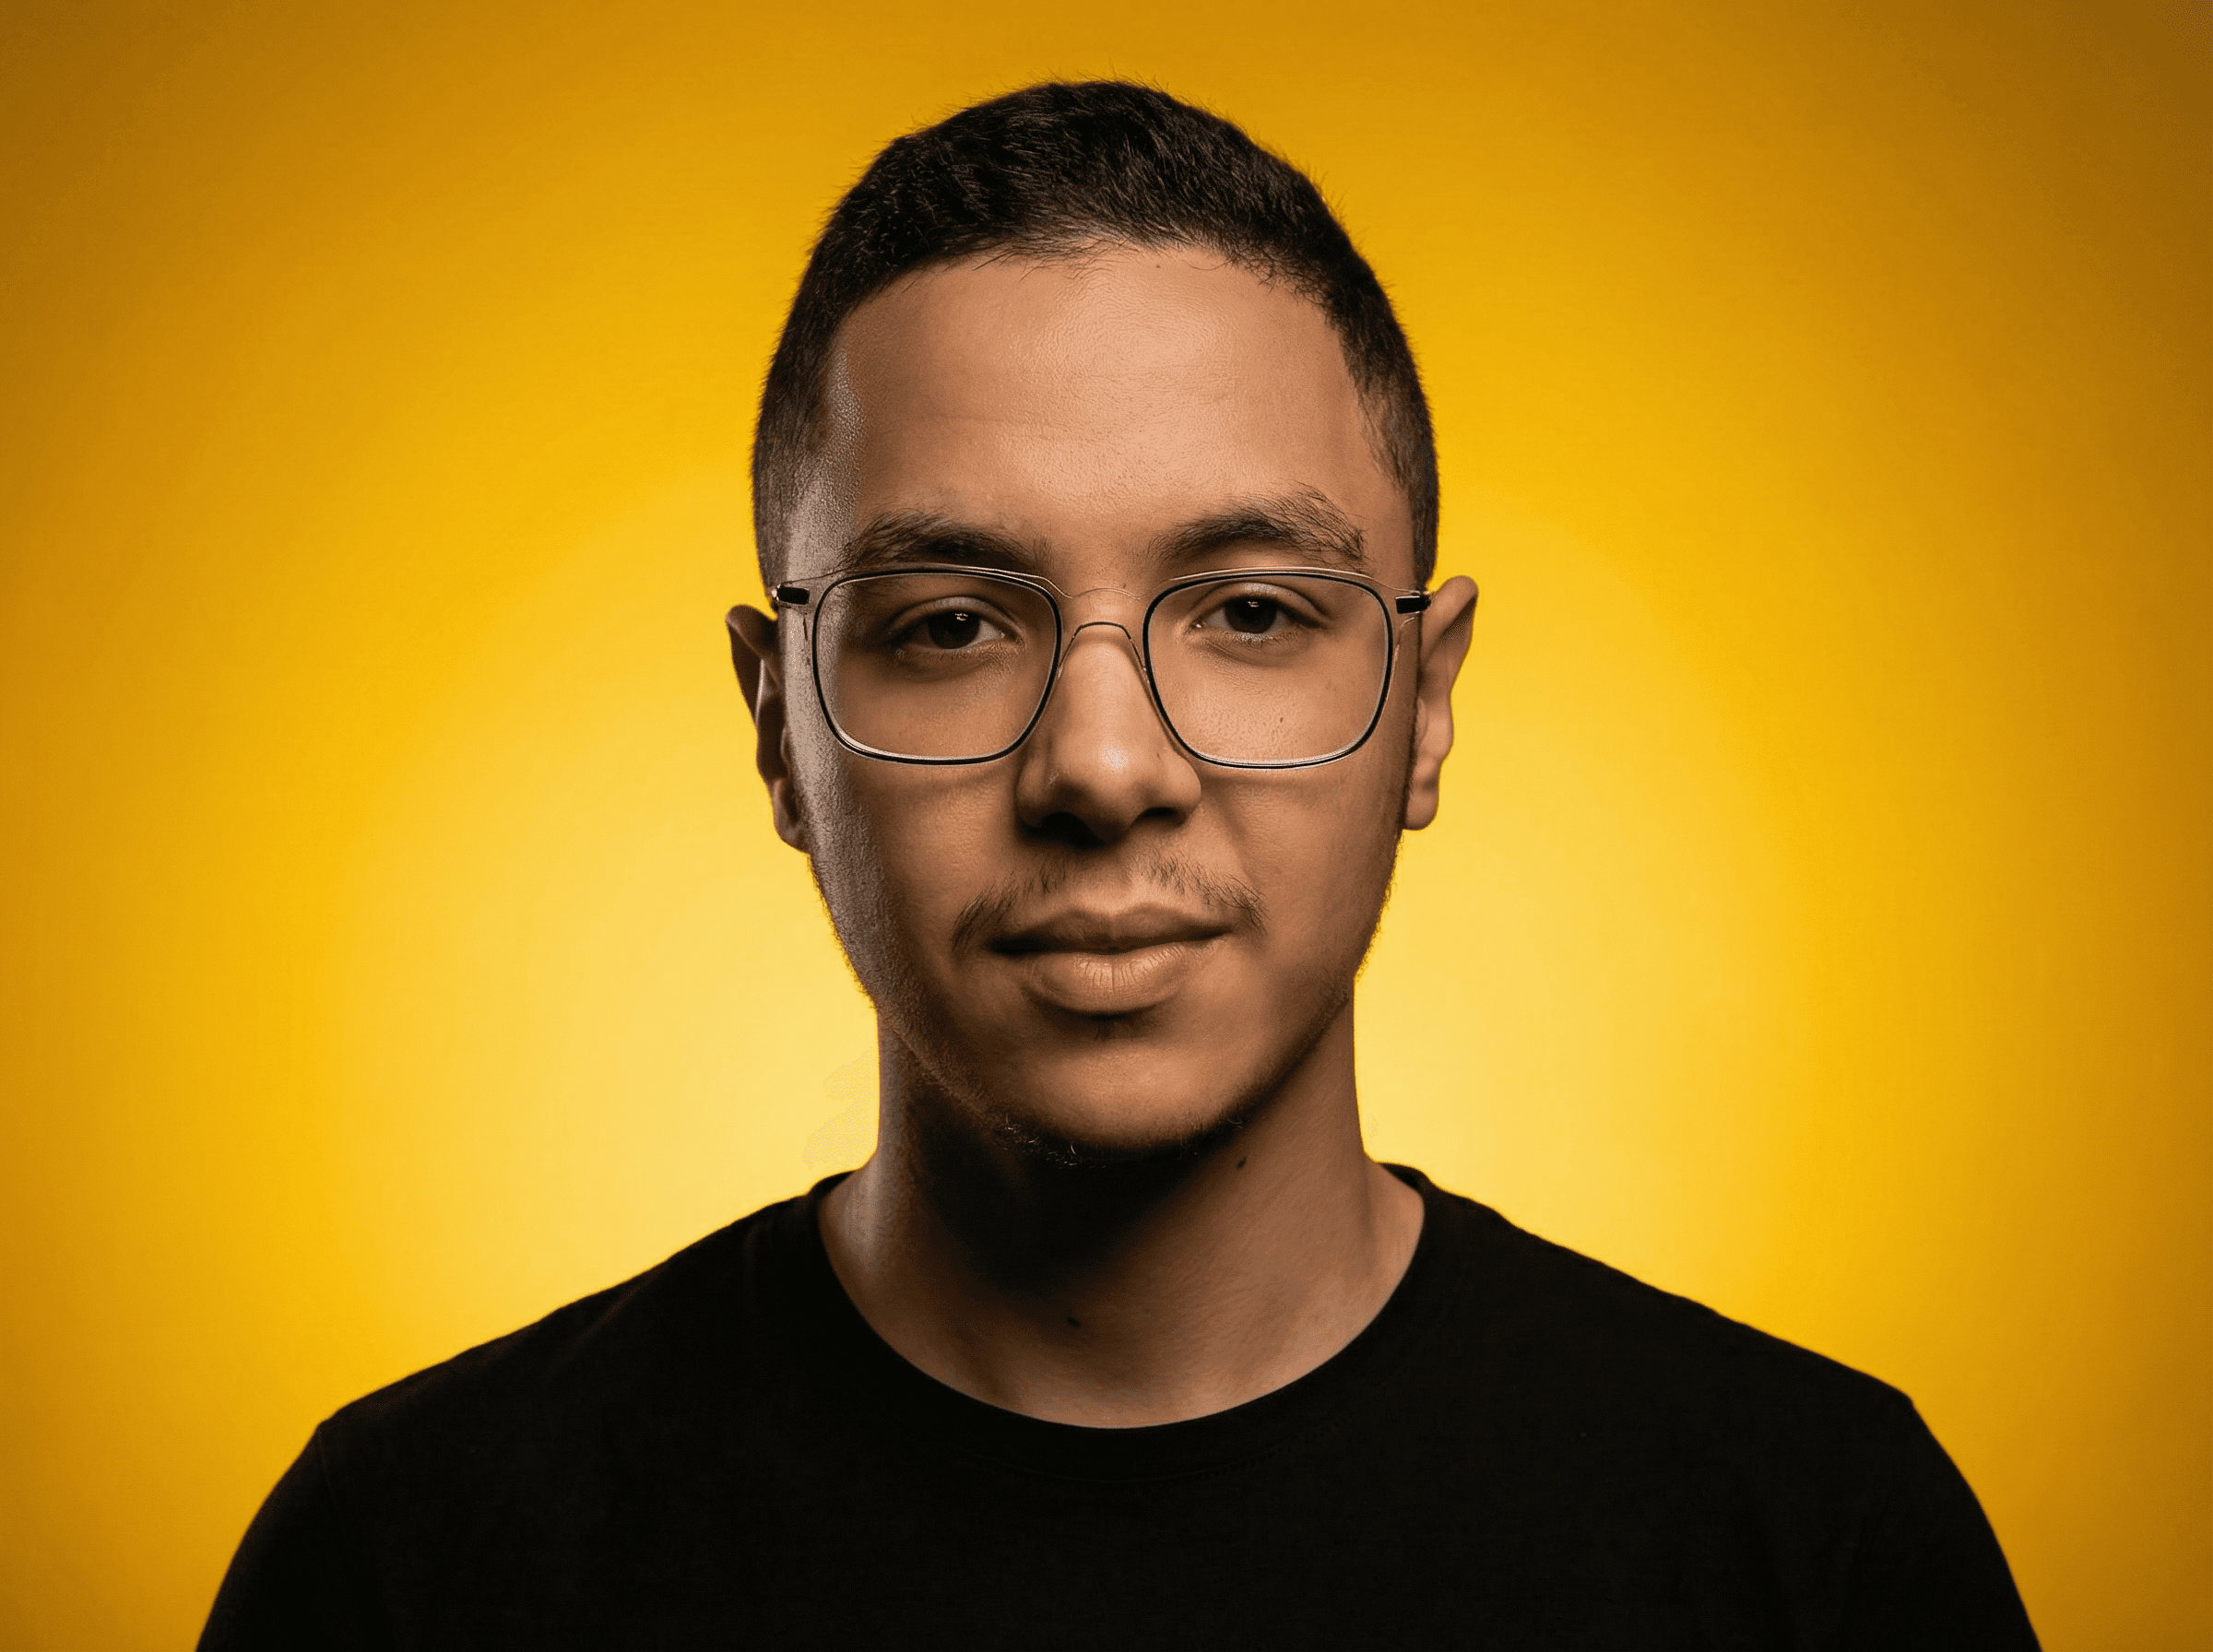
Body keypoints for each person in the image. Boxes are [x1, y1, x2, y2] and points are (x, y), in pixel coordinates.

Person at [201, 81, 2038, 1648]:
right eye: (949, 624)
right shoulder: (413, 1565)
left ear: (1425, 702)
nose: (1100, 765)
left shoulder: (1821, 1551)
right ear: (780, 728)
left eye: (1250, 611)